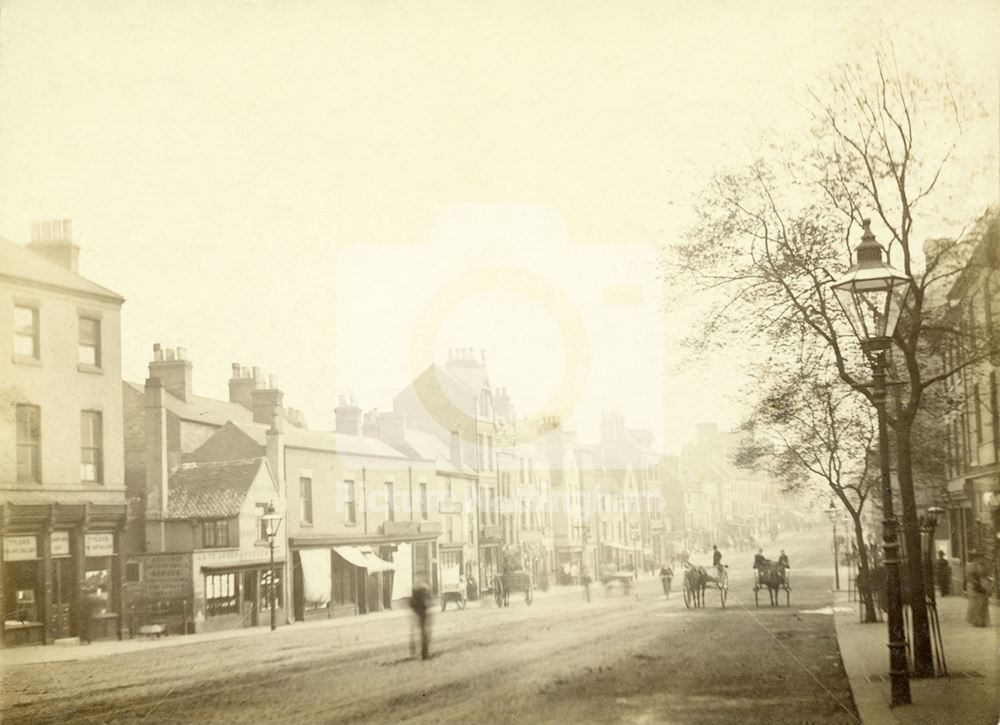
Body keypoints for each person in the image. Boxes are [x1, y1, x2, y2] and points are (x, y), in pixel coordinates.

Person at [966, 551, 991, 628]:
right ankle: (977, 621)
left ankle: (982, 621)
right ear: (976, 557)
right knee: (976, 604)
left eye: (982, 556)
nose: (981, 558)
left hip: (984, 584)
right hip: (976, 586)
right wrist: (975, 582)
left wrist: (987, 582)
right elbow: (970, 575)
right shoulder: (974, 565)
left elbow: (987, 574)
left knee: (983, 604)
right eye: (980, 556)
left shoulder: (985, 564)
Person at [409, 581, 432, 660]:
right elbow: (428, 602)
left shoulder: (416, 590)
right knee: (424, 632)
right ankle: (424, 653)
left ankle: (414, 651)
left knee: (415, 632)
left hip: (417, 611)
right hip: (422, 612)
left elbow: (411, 603)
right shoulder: (425, 588)